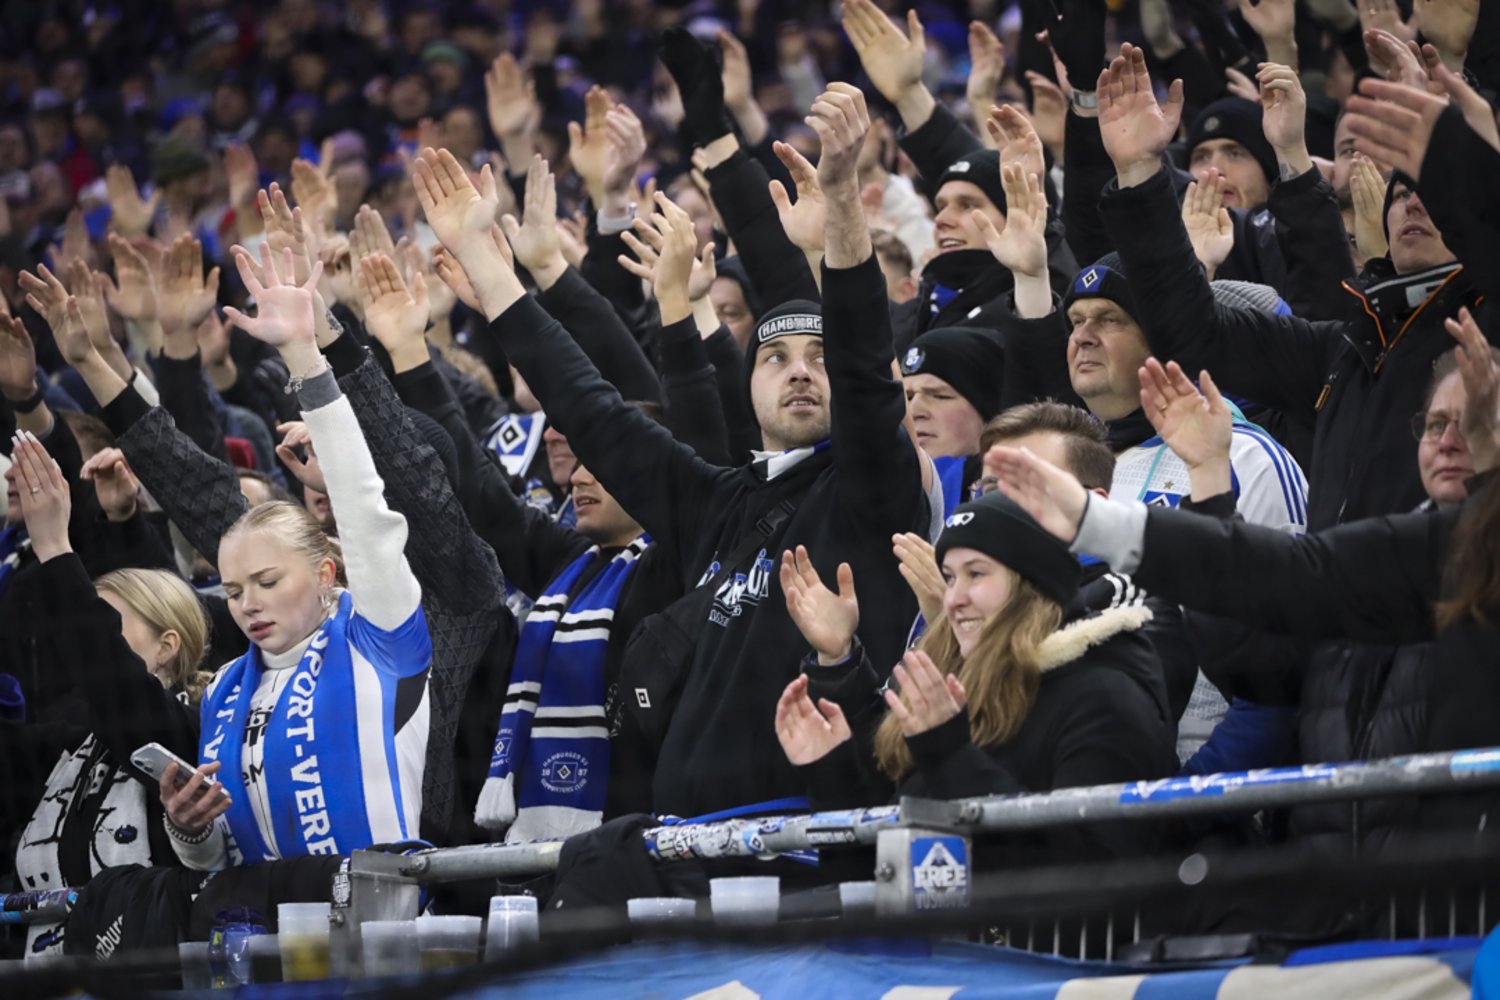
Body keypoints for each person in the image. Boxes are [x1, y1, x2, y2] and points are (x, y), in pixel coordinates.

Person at [418, 81, 930, 820]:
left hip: (811, 848)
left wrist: (843, 203)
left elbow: (862, 360)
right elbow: (590, 409)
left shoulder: (871, 490)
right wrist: (484, 260)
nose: (800, 371)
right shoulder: (716, 501)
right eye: (776, 356)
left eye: (818, 357)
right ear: (748, 384)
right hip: (682, 850)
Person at [982, 306, 1500, 864]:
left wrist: (1097, 523)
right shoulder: (1382, 556)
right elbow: (1255, 663)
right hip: (1346, 909)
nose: (1449, 440)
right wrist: (1208, 480)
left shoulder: (1449, 554)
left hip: (1466, 910)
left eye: (1475, 422)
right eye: (1435, 423)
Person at [1092, 46, 1492, 528]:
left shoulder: (1487, 330)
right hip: (1341, 594)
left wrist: (1448, 150)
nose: (1414, 206)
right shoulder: (1348, 347)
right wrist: (1139, 175)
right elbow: (1194, 334)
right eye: (1402, 194)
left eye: (1431, 191)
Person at [156, 247, 433, 868]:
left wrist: (305, 358)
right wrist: (190, 833)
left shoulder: (379, 638)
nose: (247, 603)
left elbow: (365, 506)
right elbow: (218, 858)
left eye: (267, 580)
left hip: (383, 934)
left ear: (327, 574)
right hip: (267, 943)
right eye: (231, 591)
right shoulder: (224, 689)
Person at [775, 488, 1177, 869]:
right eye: (950, 577)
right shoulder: (955, 688)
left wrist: (949, 755)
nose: (953, 598)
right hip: (939, 944)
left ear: (1033, 582)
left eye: (977, 574)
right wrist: (832, 774)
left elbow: (1092, 874)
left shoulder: (1105, 695)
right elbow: (882, 875)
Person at [4, 432, 206, 958]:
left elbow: (117, 691)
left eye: (105, 622)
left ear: (166, 647)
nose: (83, 634)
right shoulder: (66, 742)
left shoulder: (190, 732)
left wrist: (54, 545)